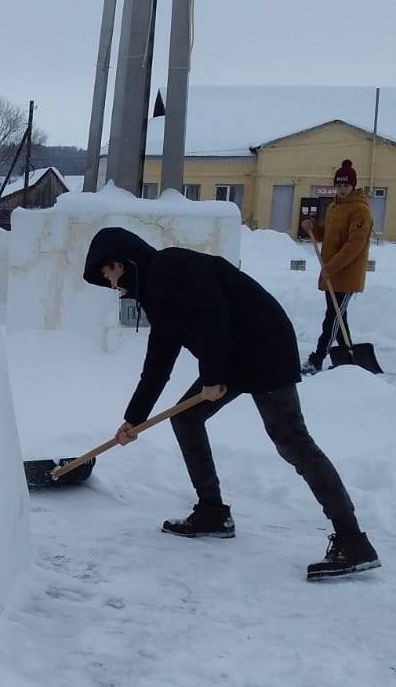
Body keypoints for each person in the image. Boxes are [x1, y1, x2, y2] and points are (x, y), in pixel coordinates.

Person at [83, 226, 380, 581]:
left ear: (121, 261)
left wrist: (212, 377)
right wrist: (134, 419)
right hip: (235, 355)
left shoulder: (171, 267)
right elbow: (158, 363)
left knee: (292, 441)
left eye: (109, 274)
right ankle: (212, 511)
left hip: (264, 346)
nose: (113, 285)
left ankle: (352, 540)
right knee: (187, 418)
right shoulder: (156, 296)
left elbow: (213, 315)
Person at [299, 159, 373, 374]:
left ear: (353, 186)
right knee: (339, 317)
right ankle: (349, 355)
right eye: (338, 185)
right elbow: (328, 236)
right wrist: (313, 227)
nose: (341, 189)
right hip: (332, 272)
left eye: (345, 186)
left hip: (348, 273)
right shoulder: (333, 206)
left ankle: (317, 359)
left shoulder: (361, 210)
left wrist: (331, 268)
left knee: (332, 317)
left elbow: (354, 245)